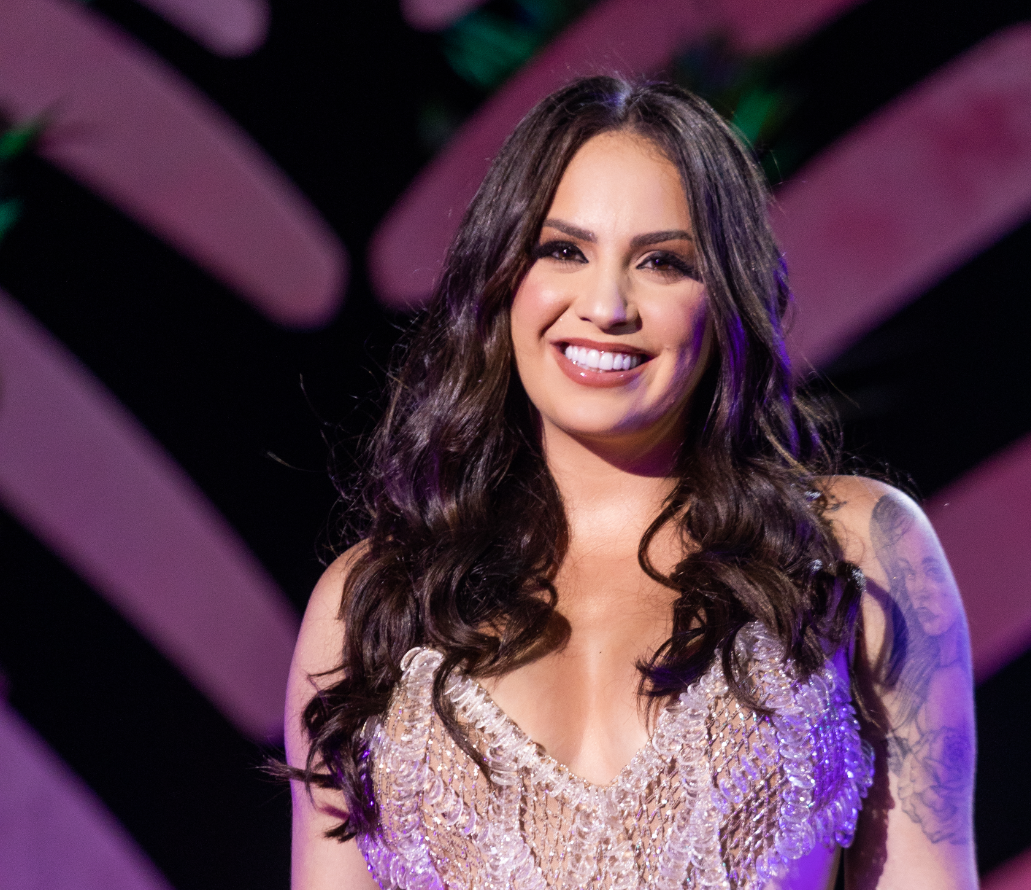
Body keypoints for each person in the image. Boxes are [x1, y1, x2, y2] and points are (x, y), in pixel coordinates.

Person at [285, 76, 978, 890]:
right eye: (563, 250)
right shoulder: (373, 603)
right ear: (500, 275)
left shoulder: (851, 552)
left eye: (662, 262)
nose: (606, 305)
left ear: (725, 299)